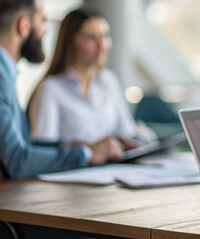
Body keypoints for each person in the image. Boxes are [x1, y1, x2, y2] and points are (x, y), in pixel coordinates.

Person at [0, 0, 123, 239]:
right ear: (23, 25)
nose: (44, 31)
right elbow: (16, 160)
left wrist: (74, 147)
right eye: (42, 21)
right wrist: (86, 155)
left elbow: (21, 145)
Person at [28, 8, 155, 146]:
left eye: (105, 36)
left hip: (115, 166)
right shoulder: (50, 89)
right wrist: (89, 151)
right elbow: (44, 149)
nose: (102, 46)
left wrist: (143, 136)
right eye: (91, 38)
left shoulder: (109, 81)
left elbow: (126, 132)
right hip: (77, 167)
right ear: (71, 42)